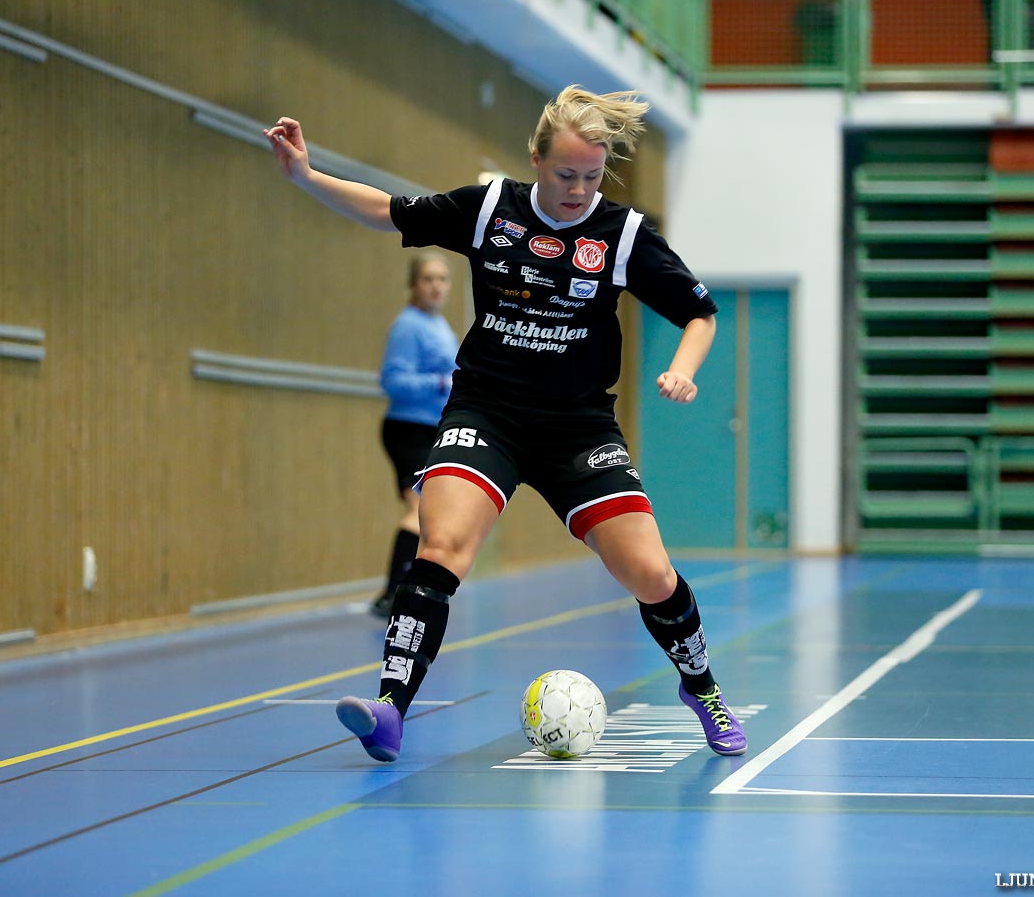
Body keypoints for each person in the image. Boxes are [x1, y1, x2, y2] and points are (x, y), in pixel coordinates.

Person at [262, 87, 748, 763]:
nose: (579, 189)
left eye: (592, 175)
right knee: (442, 547)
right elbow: (388, 210)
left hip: (579, 427)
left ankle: (702, 689)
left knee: (651, 575)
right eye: (565, 174)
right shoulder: (489, 209)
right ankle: (390, 709)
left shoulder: (623, 234)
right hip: (487, 412)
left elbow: (699, 313)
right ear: (536, 162)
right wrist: (306, 177)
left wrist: (685, 368)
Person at [370, 253, 459, 618]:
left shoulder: (441, 327)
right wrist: (440, 382)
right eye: (428, 279)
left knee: (431, 513)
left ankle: (405, 590)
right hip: (408, 429)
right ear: (414, 284)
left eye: (442, 279)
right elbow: (392, 381)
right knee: (417, 509)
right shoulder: (408, 326)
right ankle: (391, 594)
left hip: (433, 429)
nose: (436, 286)